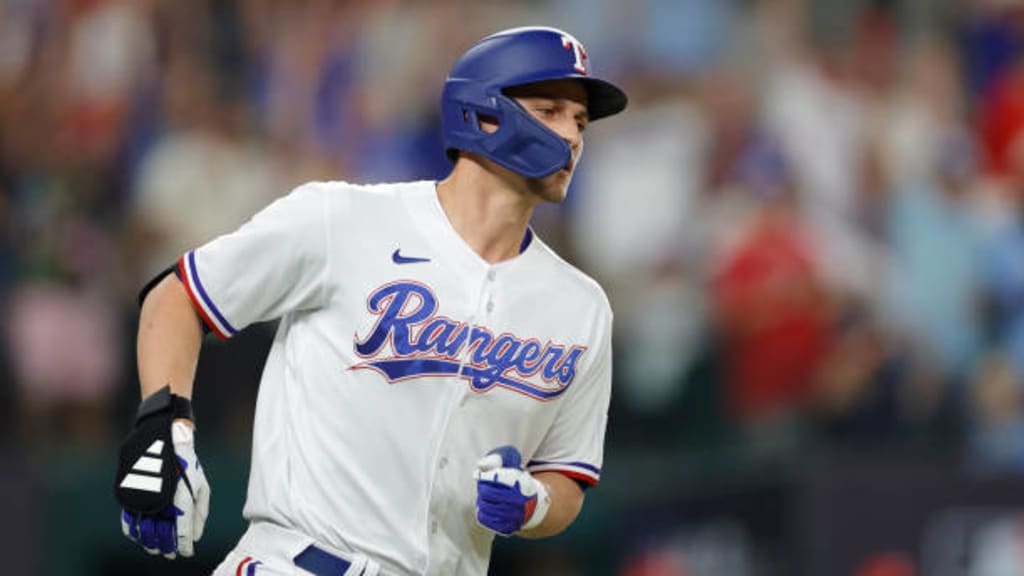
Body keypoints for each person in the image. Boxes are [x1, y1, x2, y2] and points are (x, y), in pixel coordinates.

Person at [113, 25, 627, 576]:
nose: (572, 136)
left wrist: (535, 504)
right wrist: (166, 426)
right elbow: (180, 296)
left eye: (580, 120)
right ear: (484, 113)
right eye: (550, 110)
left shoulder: (581, 307)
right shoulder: (345, 220)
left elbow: (567, 477)